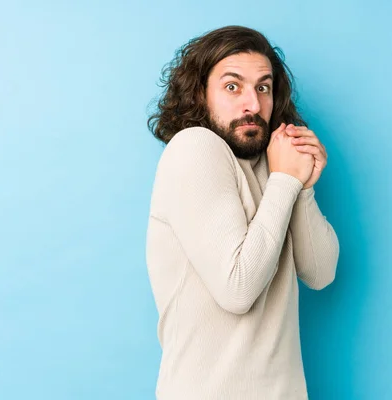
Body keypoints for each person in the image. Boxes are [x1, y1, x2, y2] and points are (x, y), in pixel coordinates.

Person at [145, 25, 340, 399]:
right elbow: (238, 288)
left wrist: (302, 187)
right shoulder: (193, 148)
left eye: (263, 87)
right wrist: (286, 180)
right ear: (200, 95)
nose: (252, 103)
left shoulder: (273, 168)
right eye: (232, 87)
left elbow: (320, 273)